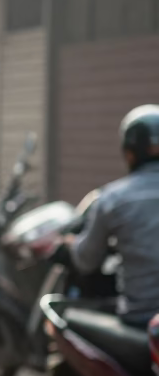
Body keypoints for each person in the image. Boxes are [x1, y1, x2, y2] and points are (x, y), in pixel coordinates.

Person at [68, 105, 159, 328]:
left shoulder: (113, 200)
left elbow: (86, 260)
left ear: (129, 153)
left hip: (140, 319)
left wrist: (69, 244)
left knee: (67, 323)